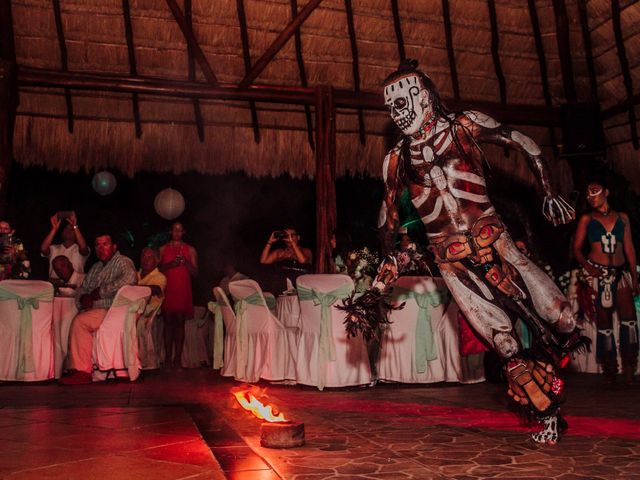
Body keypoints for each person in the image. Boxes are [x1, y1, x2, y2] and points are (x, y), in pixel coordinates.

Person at [353, 59, 584, 445]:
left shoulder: (464, 125)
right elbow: (388, 214)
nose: (398, 112)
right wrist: (389, 256)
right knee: (505, 343)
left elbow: (522, 141)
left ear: (424, 95)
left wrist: (549, 190)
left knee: (563, 320)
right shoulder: (396, 160)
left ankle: (549, 374)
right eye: (390, 107)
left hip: (497, 242)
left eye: (404, 100)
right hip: (453, 261)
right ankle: (547, 414)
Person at [573, 180, 639, 384]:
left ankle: (629, 367)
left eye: (594, 192)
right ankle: (610, 369)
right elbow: (576, 249)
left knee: (629, 321)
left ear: (606, 192)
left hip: (620, 275)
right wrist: (588, 267)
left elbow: (629, 249)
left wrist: (634, 277)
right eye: (588, 194)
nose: (590, 196)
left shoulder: (622, 218)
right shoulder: (586, 219)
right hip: (598, 275)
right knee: (604, 324)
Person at [60, 234, 137, 385]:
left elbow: (129, 279)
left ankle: (82, 371)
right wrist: (83, 298)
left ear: (114, 247)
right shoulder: (96, 267)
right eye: (98, 245)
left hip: (112, 310)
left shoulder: (123, 262)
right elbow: (82, 289)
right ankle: (72, 367)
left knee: (80, 322)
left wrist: (100, 292)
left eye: (105, 244)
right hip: (97, 311)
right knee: (70, 318)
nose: (101, 248)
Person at [159, 222, 198, 367]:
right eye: (174, 230)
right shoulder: (163, 249)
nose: (177, 232)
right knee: (167, 322)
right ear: (171, 231)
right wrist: (171, 265)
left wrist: (186, 262)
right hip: (168, 289)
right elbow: (158, 269)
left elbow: (195, 272)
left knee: (180, 322)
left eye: (179, 230)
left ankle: (178, 359)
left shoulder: (191, 249)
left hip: (182, 289)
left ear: (183, 232)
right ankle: (168, 359)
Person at [260, 227, 312, 293]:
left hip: (302, 286)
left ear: (298, 237)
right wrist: (270, 242)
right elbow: (263, 260)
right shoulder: (280, 252)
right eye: (286, 235)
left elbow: (302, 260)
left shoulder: (306, 251)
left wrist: (293, 243)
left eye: (292, 235)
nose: (289, 237)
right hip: (283, 287)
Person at [40, 211, 90, 279]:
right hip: (55, 284)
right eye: (66, 229)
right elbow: (43, 249)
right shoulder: (54, 248)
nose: (68, 231)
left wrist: (75, 226)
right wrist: (54, 229)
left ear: (76, 233)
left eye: (71, 229)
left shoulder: (79, 249)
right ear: (62, 233)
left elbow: (84, 248)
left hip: (75, 286)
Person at [138, 247, 167, 313]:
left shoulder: (160, 277)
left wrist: (131, 287)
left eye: (149, 258)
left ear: (156, 261)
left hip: (147, 318)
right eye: (143, 257)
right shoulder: (134, 274)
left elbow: (156, 289)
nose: (145, 260)